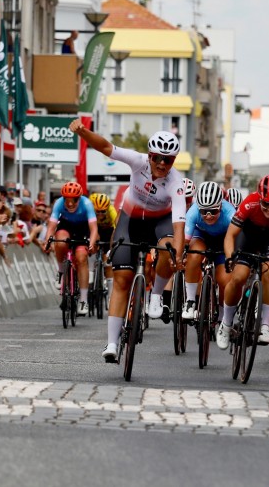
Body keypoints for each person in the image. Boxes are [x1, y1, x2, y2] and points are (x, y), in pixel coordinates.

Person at [69, 118, 186, 362]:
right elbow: (105, 147)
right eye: (157, 157)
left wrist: (179, 252)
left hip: (160, 224)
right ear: (150, 155)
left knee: (168, 250)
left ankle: (155, 298)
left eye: (168, 160)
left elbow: (178, 224)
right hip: (130, 220)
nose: (162, 164)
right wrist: (82, 131)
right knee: (122, 280)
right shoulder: (138, 161)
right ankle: (111, 343)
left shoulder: (176, 183)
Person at [218, 174, 269, 347]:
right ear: (260, 198)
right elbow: (230, 235)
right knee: (238, 277)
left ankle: (264, 326)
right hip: (249, 236)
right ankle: (225, 324)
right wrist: (229, 257)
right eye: (266, 203)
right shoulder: (250, 202)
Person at [42, 181, 99, 316]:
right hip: (66, 226)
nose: (70, 203)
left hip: (82, 228)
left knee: (81, 258)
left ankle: (83, 300)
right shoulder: (58, 204)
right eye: (67, 200)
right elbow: (51, 227)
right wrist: (47, 241)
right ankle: (61, 271)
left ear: (79, 198)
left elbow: (94, 228)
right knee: (60, 242)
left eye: (73, 200)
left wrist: (91, 242)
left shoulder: (87, 204)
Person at [183, 181, 234, 320]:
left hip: (223, 239)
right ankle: (190, 301)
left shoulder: (231, 214)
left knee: (225, 280)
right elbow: (185, 242)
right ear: (199, 208)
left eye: (214, 210)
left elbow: (236, 240)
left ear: (221, 206)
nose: (209, 215)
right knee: (194, 254)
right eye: (204, 211)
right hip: (202, 235)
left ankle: (223, 317)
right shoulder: (193, 212)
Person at [89, 192, 118, 298]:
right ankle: (91, 270)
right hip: (93, 228)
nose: (100, 214)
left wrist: (111, 247)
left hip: (108, 231)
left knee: (108, 262)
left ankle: (110, 295)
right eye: (98, 212)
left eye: (103, 212)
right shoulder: (90, 209)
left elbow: (116, 229)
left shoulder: (112, 211)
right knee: (92, 244)